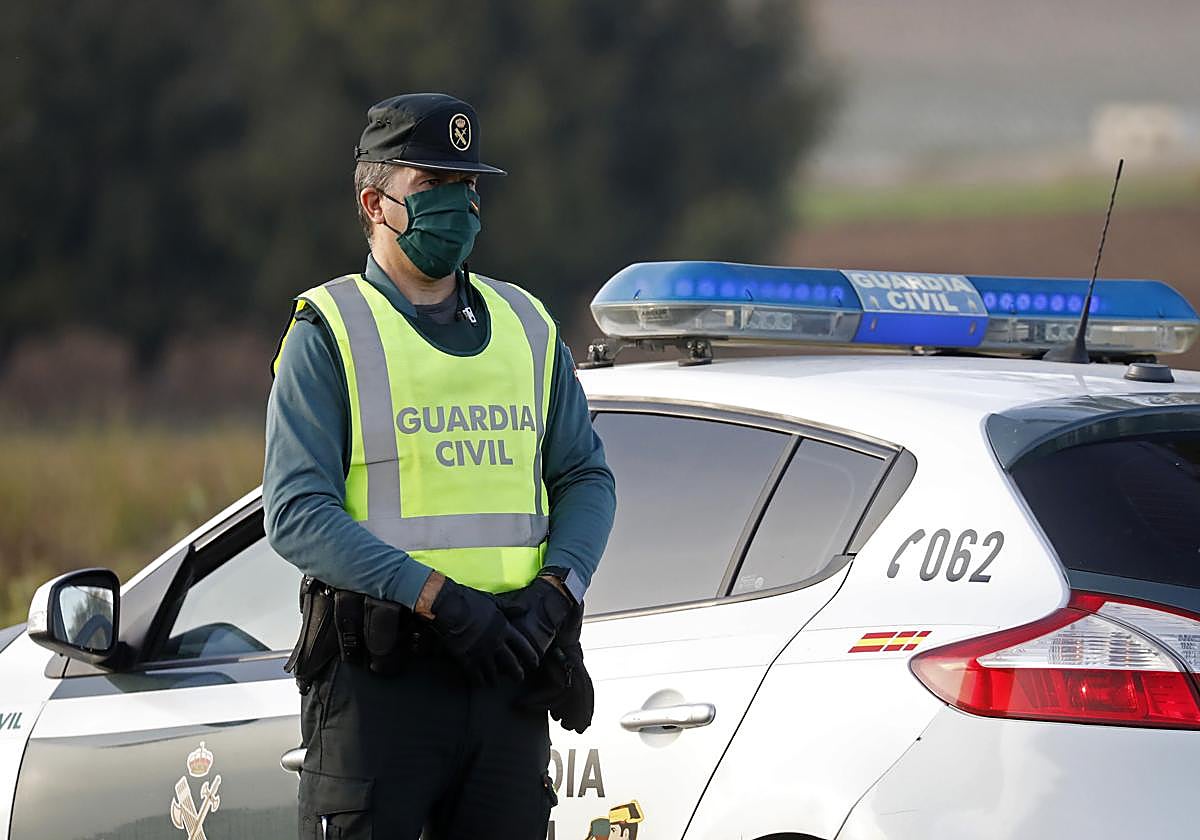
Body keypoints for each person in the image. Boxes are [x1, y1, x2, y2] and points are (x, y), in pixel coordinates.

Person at [263, 92, 616, 840]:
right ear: (375, 201)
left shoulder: (528, 324)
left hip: (507, 679)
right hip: (381, 692)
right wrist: (439, 599)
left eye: (468, 186)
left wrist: (558, 594)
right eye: (434, 188)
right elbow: (297, 512)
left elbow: (585, 477)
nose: (460, 206)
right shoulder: (328, 331)